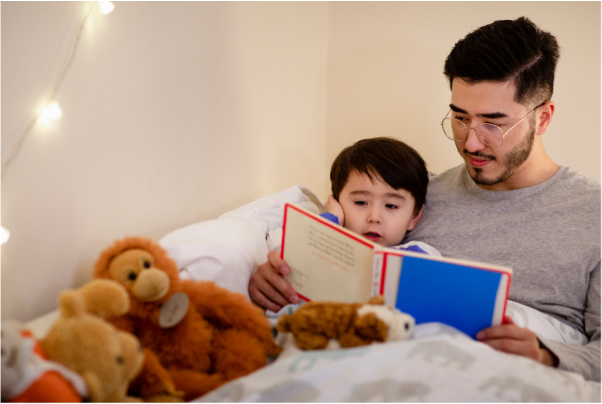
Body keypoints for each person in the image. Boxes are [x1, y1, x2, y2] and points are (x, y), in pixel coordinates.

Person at [402, 17, 600, 381]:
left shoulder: (594, 214)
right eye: (460, 118)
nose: (471, 142)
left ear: (543, 118)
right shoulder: (414, 198)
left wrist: (546, 357)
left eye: (493, 123)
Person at [248, 137, 440, 313]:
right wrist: (331, 218)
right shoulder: (320, 247)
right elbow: (288, 261)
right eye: (360, 202)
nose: (374, 217)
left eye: (391, 205)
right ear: (338, 203)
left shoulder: (420, 252)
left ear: (414, 217)